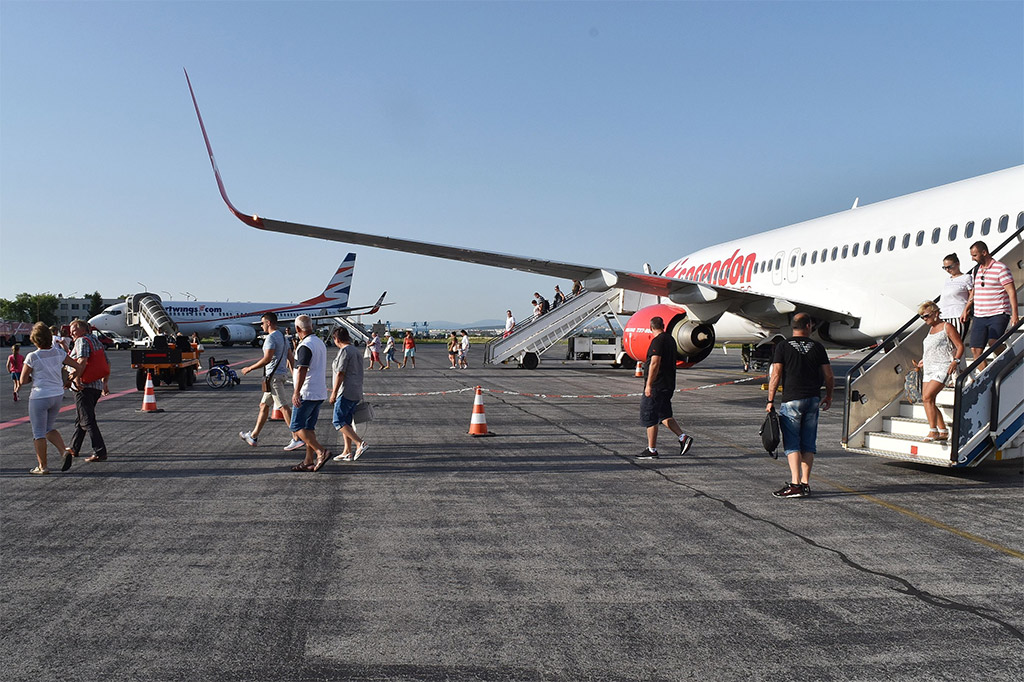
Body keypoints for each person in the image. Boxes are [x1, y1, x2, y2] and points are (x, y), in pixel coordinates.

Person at [766, 312, 834, 498]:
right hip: (812, 399)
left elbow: (776, 374)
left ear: (793, 327)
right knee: (808, 444)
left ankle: (795, 484)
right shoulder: (818, 347)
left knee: (792, 443)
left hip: (792, 400)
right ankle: (805, 483)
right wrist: (828, 395)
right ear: (809, 326)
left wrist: (770, 400)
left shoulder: (783, 346)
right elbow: (828, 375)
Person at [20, 322, 84, 474]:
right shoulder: (58, 353)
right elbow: (78, 366)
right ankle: (64, 451)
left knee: (38, 433)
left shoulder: (32, 356)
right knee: (49, 428)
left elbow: (23, 380)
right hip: (57, 394)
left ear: (34, 340)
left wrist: (33, 378)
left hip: (39, 395)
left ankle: (43, 467)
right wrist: (70, 379)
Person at [239, 312, 300, 451]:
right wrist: (293, 374)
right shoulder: (284, 338)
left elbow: (267, 358)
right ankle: (253, 436)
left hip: (274, 378)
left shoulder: (271, 338)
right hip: (279, 376)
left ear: (268, 323)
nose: (261, 326)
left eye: (262, 323)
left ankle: (296, 437)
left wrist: (249, 368)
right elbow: (290, 358)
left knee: (283, 407)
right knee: (264, 405)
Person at [636, 316, 693, 459]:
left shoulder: (658, 341)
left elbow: (655, 363)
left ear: (650, 327)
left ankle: (652, 449)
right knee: (664, 415)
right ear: (664, 325)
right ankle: (683, 437)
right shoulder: (670, 340)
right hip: (668, 384)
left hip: (657, 385)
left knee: (650, 416)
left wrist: (648, 385)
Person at [914, 301, 964, 443]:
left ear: (936, 313)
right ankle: (942, 430)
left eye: (926, 316)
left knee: (927, 397)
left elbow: (960, 346)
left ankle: (933, 430)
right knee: (929, 400)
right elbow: (931, 349)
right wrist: (923, 360)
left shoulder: (947, 327)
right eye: (922, 317)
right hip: (929, 367)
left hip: (943, 366)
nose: (924, 319)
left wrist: (956, 361)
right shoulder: (930, 329)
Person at [965, 241, 1018, 373]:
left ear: (984, 252)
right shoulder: (975, 270)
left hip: (998, 312)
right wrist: (966, 309)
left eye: (975, 255)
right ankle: (986, 375)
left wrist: (1015, 315)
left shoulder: (1001, 268)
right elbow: (974, 291)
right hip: (979, 315)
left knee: (994, 343)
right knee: (975, 350)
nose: (973, 258)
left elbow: (1011, 291)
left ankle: (1011, 362)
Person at [289, 315, 331, 472]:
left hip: (307, 392)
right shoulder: (319, 342)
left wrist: (296, 392)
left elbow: (302, 369)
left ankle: (321, 451)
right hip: (319, 391)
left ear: (298, 329)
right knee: (309, 428)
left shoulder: (305, 345)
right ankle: (308, 460)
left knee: (296, 426)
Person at [66, 320, 110, 463]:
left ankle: (100, 451)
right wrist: (105, 382)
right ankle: (74, 447)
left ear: (83, 330)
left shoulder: (81, 341)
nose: (71, 333)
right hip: (95, 385)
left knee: (87, 420)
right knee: (82, 418)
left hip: (84, 386)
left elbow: (82, 361)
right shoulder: (96, 341)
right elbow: (107, 363)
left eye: (73, 330)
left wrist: (76, 379)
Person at [328, 327, 369, 462]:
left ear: (336, 339)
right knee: (346, 421)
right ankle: (347, 451)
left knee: (338, 420)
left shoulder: (344, 351)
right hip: (356, 390)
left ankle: (359, 443)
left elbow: (340, 373)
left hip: (345, 391)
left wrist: (334, 393)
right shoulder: (356, 351)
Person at [938, 253, 972, 339]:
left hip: (957, 314)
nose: (947, 270)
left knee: (956, 342)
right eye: (944, 268)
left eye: (949, 267)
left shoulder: (966, 278)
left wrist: (966, 310)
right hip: (944, 315)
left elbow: (972, 294)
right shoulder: (947, 280)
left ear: (957, 264)